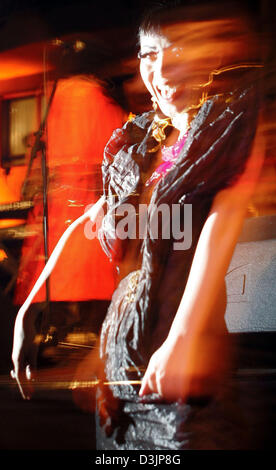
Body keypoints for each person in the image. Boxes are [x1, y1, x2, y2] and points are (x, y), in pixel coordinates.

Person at [11, 1, 265, 449]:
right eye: (149, 54)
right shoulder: (139, 143)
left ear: (209, 54)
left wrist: (182, 339)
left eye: (177, 51)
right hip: (122, 368)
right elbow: (126, 259)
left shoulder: (227, 128)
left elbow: (222, 220)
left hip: (182, 368)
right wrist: (49, 319)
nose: (162, 71)